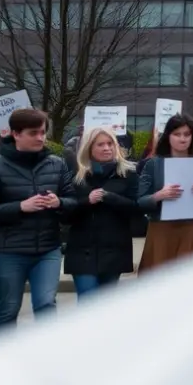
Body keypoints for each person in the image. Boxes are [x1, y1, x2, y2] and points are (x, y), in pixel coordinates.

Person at [0, 108, 77, 330]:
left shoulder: (56, 164)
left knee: (46, 306)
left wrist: (60, 203)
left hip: (48, 249)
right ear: (16, 134)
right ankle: (1, 359)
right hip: (9, 250)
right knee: (8, 308)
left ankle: (46, 361)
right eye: (33, 133)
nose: (40, 138)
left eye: (42, 132)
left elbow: (73, 202)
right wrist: (20, 207)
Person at [137, 114, 193, 272]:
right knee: (159, 281)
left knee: (192, 281)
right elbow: (141, 201)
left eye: (187, 134)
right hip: (162, 229)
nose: (182, 139)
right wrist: (159, 196)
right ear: (168, 136)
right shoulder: (154, 164)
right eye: (177, 134)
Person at [66, 127, 140, 299]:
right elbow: (65, 214)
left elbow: (137, 210)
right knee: (88, 302)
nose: (107, 148)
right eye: (100, 145)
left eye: (110, 144)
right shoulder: (77, 176)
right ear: (89, 148)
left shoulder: (128, 174)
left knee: (104, 308)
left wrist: (111, 198)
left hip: (114, 252)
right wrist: (87, 202)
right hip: (82, 251)